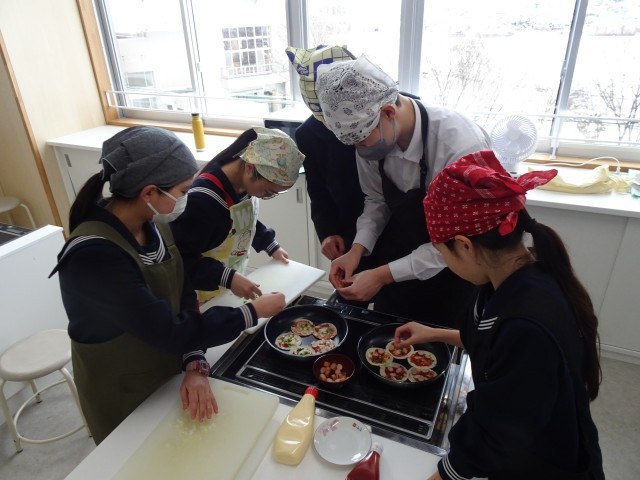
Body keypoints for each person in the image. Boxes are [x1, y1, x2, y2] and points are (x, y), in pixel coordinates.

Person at [51, 126, 285, 444]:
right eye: (184, 190)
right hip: (122, 386)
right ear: (149, 193)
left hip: (163, 365)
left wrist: (194, 361)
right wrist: (251, 312)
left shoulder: (154, 225)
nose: (188, 198)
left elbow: (182, 291)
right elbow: (168, 328)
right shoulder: (95, 256)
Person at [393, 150, 604, 480]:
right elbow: (493, 342)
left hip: (545, 464)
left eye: (442, 252)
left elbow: (498, 437)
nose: (444, 261)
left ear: (465, 246)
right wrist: (434, 334)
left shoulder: (529, 324)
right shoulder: (508, 276)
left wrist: (441, 475)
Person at [316, 55, 491, 325]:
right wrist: (356, 250)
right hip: (397, 261)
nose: (360, 149)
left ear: (388, 112)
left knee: (434, 342)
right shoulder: (372, 140)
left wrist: (381, 275)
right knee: (387, 337)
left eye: (362, 140)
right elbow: (376, 201)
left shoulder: (460, 146)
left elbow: (456, 241)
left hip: (454, 271)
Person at [171, 127, 304, 305]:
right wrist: (227, 277)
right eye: (268, 191)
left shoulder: (243, 187)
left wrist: (269, 244)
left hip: (227, 286)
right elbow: (181, 262)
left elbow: (244, 224)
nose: (266, 196)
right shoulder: (202, 202)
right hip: (201, 294)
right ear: (249, 168)